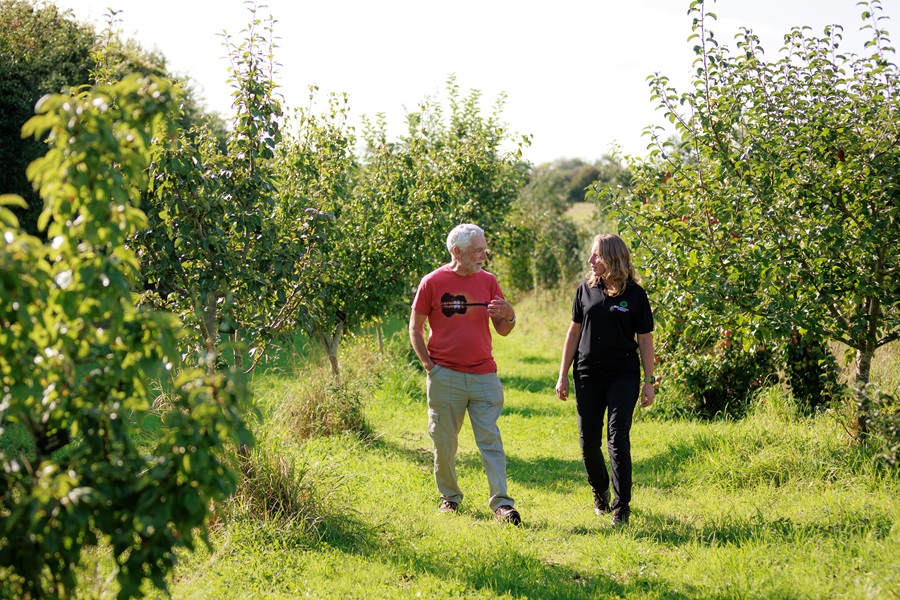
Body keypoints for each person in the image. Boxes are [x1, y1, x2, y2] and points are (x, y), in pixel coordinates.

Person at [409, 223, 521, 525]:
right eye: (478, 250)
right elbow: (415, 327)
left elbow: (504, 330)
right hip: (446, 377)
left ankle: (502, 505)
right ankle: (450, 498)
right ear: (456, 251)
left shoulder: (488, 281)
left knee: (491, 442)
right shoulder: (432, 282)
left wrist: (509, 313)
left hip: (485, 376)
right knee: (444, 442)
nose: (484, 255)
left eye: (484, 249)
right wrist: (431, 367)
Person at [555, 233, 655, 525]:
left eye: (596, 255)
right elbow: (573, 333)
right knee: (588, 442)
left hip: (622, 373)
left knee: (617, 438)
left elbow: (645, 340)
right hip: (587, 373)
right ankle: (600, 493)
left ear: (613, 258)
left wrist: (648, 380)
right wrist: (562, 375)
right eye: (591, 255)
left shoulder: (635, 295)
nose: (590, 260)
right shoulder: (584, 290)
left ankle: (621, 505)